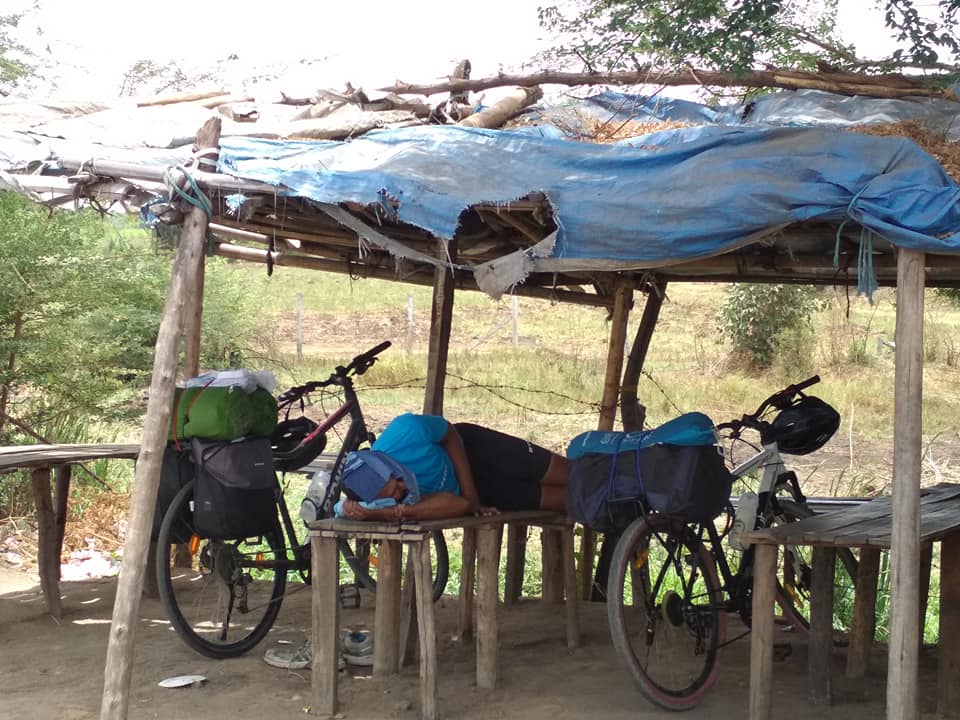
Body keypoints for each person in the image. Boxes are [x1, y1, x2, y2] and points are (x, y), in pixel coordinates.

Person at [339, 413, 571, 522]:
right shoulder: (374, 504)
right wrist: (383, 513)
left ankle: (606, 474)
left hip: (471, 449)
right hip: (479, 490)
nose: (402, 488)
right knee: (569, 499)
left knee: (571, 474)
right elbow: (460, 504)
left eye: (397, 480)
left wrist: (472, 495)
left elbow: (450, 433)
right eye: (394, 496)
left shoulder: (406, 430)